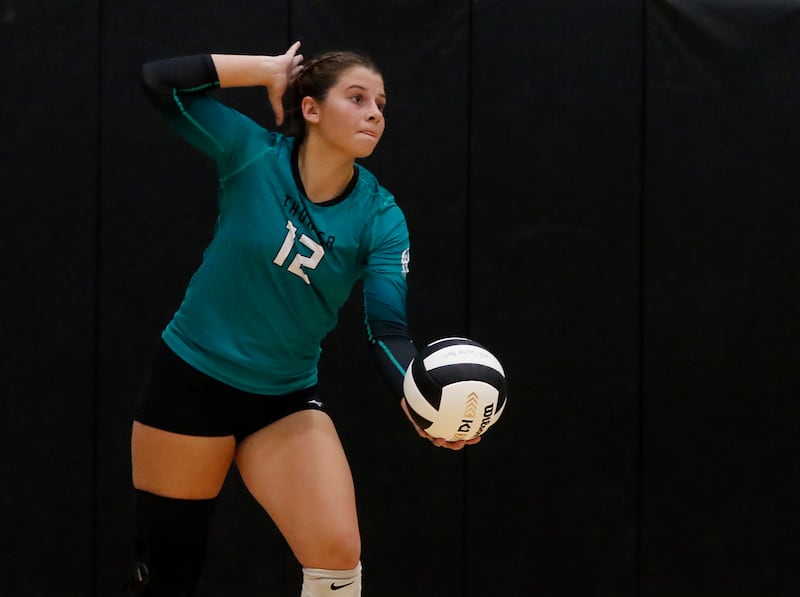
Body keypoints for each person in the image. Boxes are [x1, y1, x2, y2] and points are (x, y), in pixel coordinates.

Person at [122, 41, 480, 597]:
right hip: (190, 382)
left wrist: (418, 396)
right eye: (357, 97)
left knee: (338, 552)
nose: (375, 113)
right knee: (170, 575)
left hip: (282, 398)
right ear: (311, 108)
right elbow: (158, 81)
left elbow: (387, 330)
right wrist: (267, 71)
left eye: (381, 103)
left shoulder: (381, 217)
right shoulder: (253, 152)